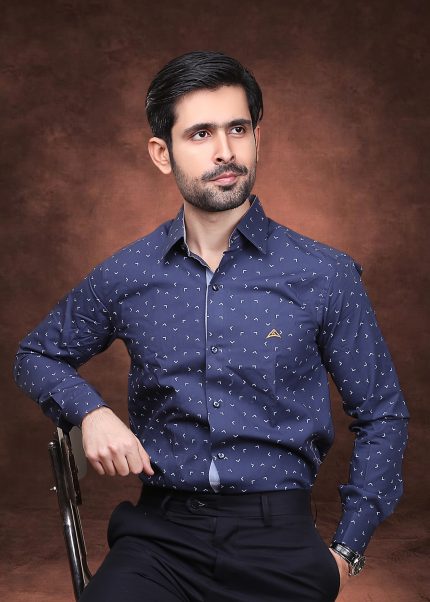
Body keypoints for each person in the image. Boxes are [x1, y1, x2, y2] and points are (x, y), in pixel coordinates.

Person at [14, 51, 409, 602]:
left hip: (280, 538)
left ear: (257, 138)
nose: (225, 151)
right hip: (160, 540)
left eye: (238, 129)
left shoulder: (325, 274)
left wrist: (347, 551)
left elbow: (383, 413)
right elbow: (36, 355)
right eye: (200, 133)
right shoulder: (129, 272)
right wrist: (90, 412)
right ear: (162, 153)